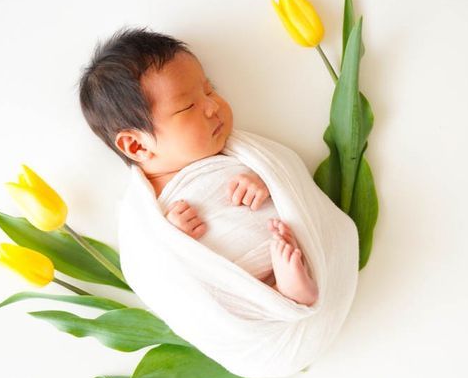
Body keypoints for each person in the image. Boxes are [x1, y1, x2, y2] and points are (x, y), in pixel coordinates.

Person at [78, 26, 318, 306]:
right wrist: (173, 237)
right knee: (223, 301)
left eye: (209, 89)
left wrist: (263, 179)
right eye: (187, 107)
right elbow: (151, 267)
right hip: (230, 288)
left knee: (288, 256)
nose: (212, 106)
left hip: (283, 243)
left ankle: (289, 288)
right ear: (137, 146)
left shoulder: (237, 152)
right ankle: (286, 294)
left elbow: (284, 171)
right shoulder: (142, 211)